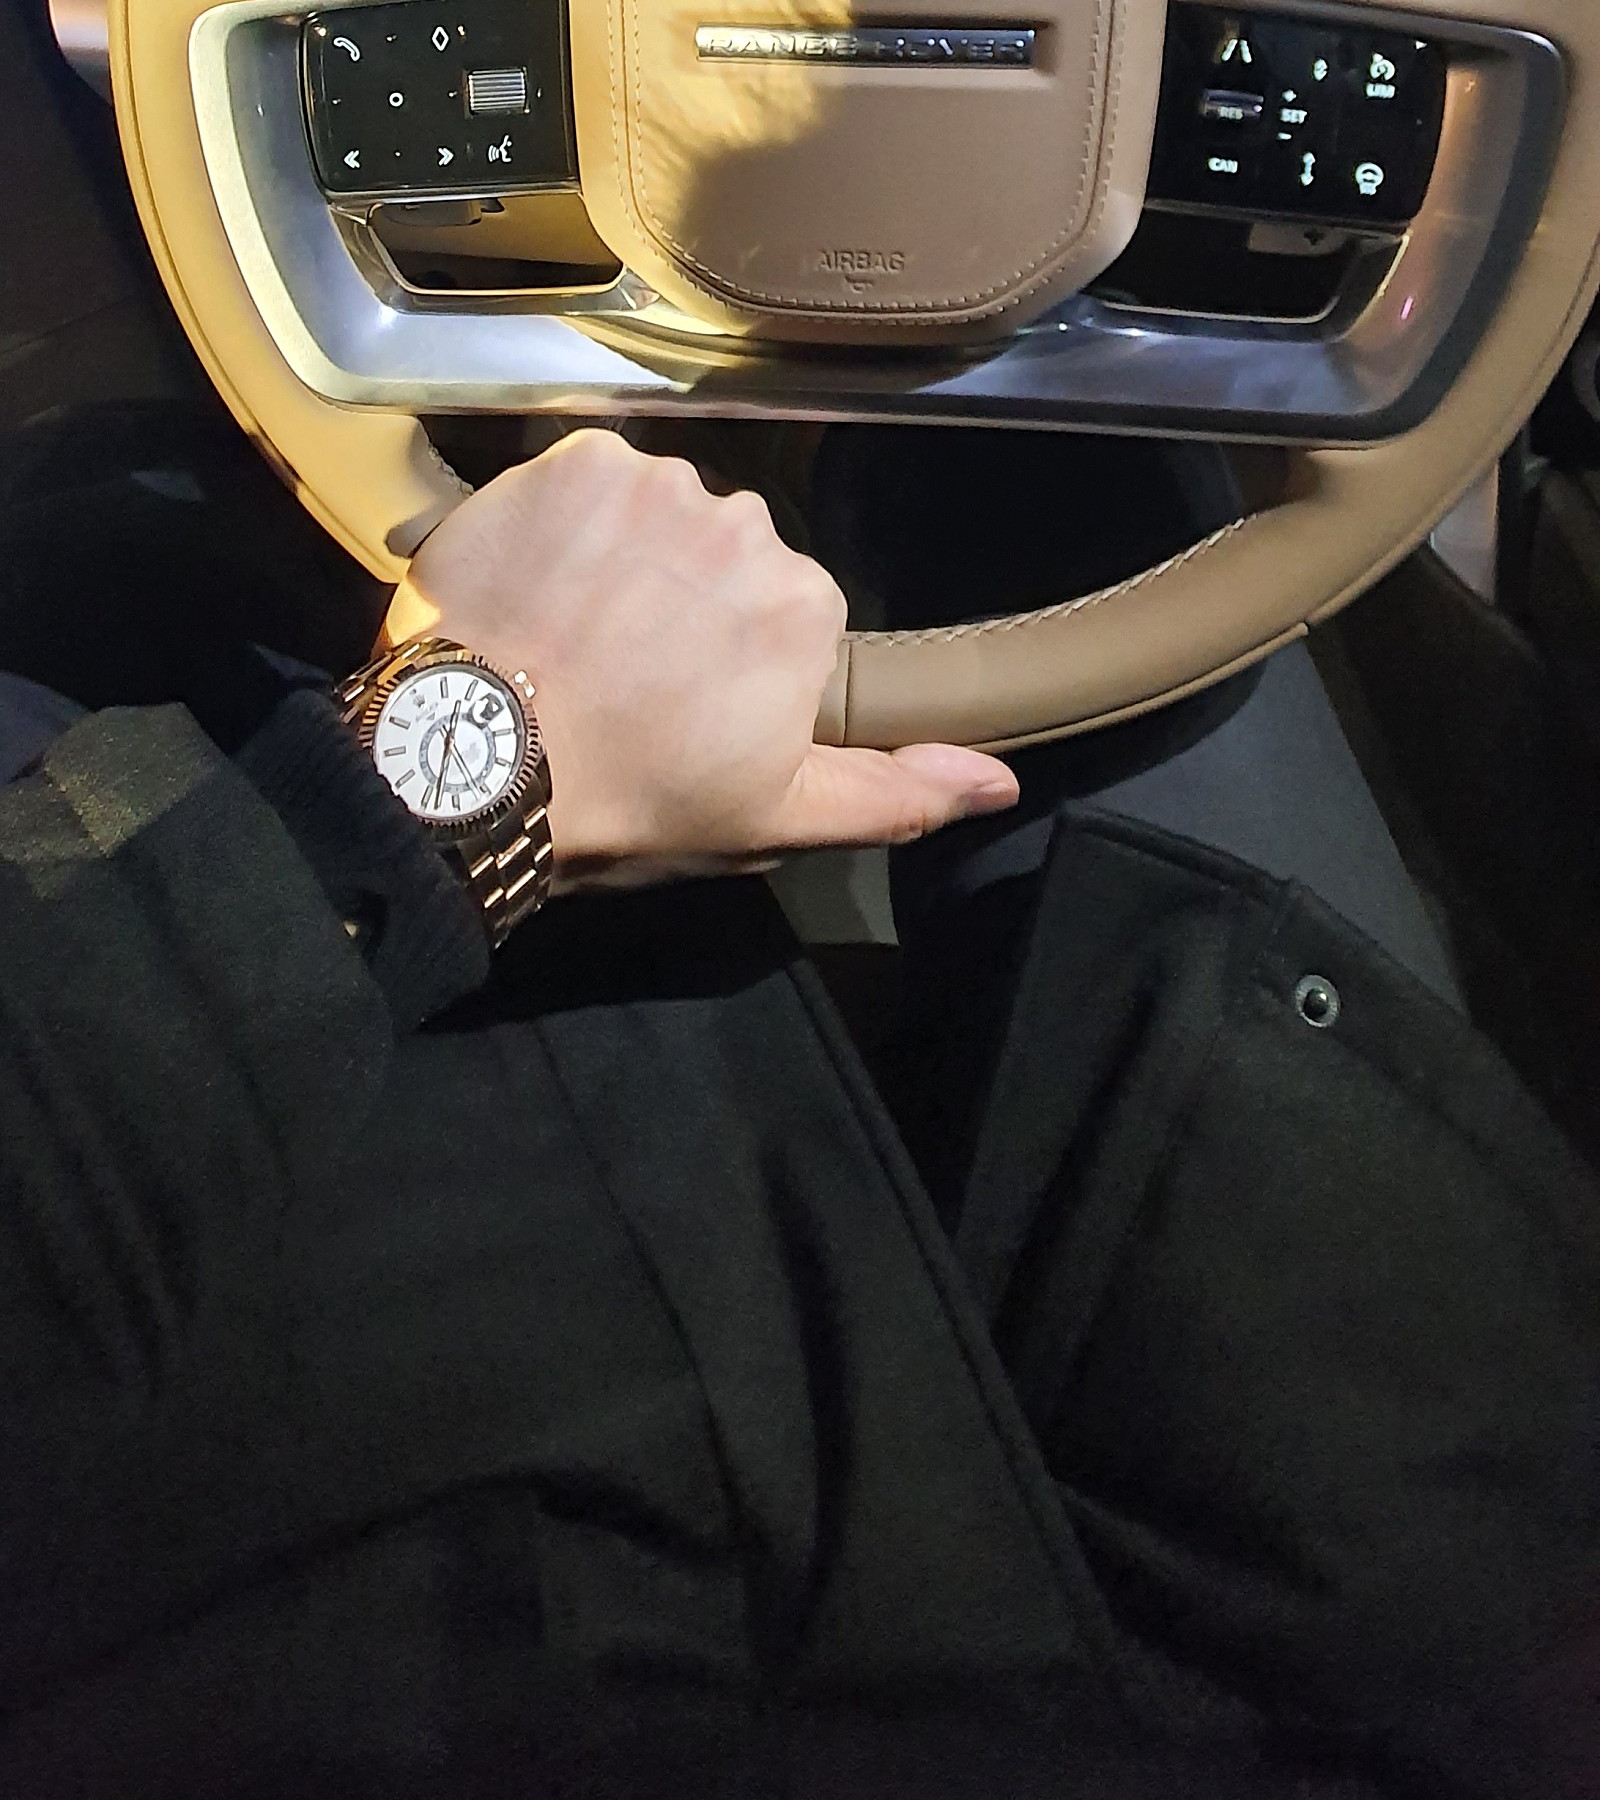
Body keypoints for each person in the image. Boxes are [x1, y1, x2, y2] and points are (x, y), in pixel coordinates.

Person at [0, 423, 1595, 1800]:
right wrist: (460, 770)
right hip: (1385, 1609)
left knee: (123, 513)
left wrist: (419, 802)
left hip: (473, 1360)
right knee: (1088, 477)